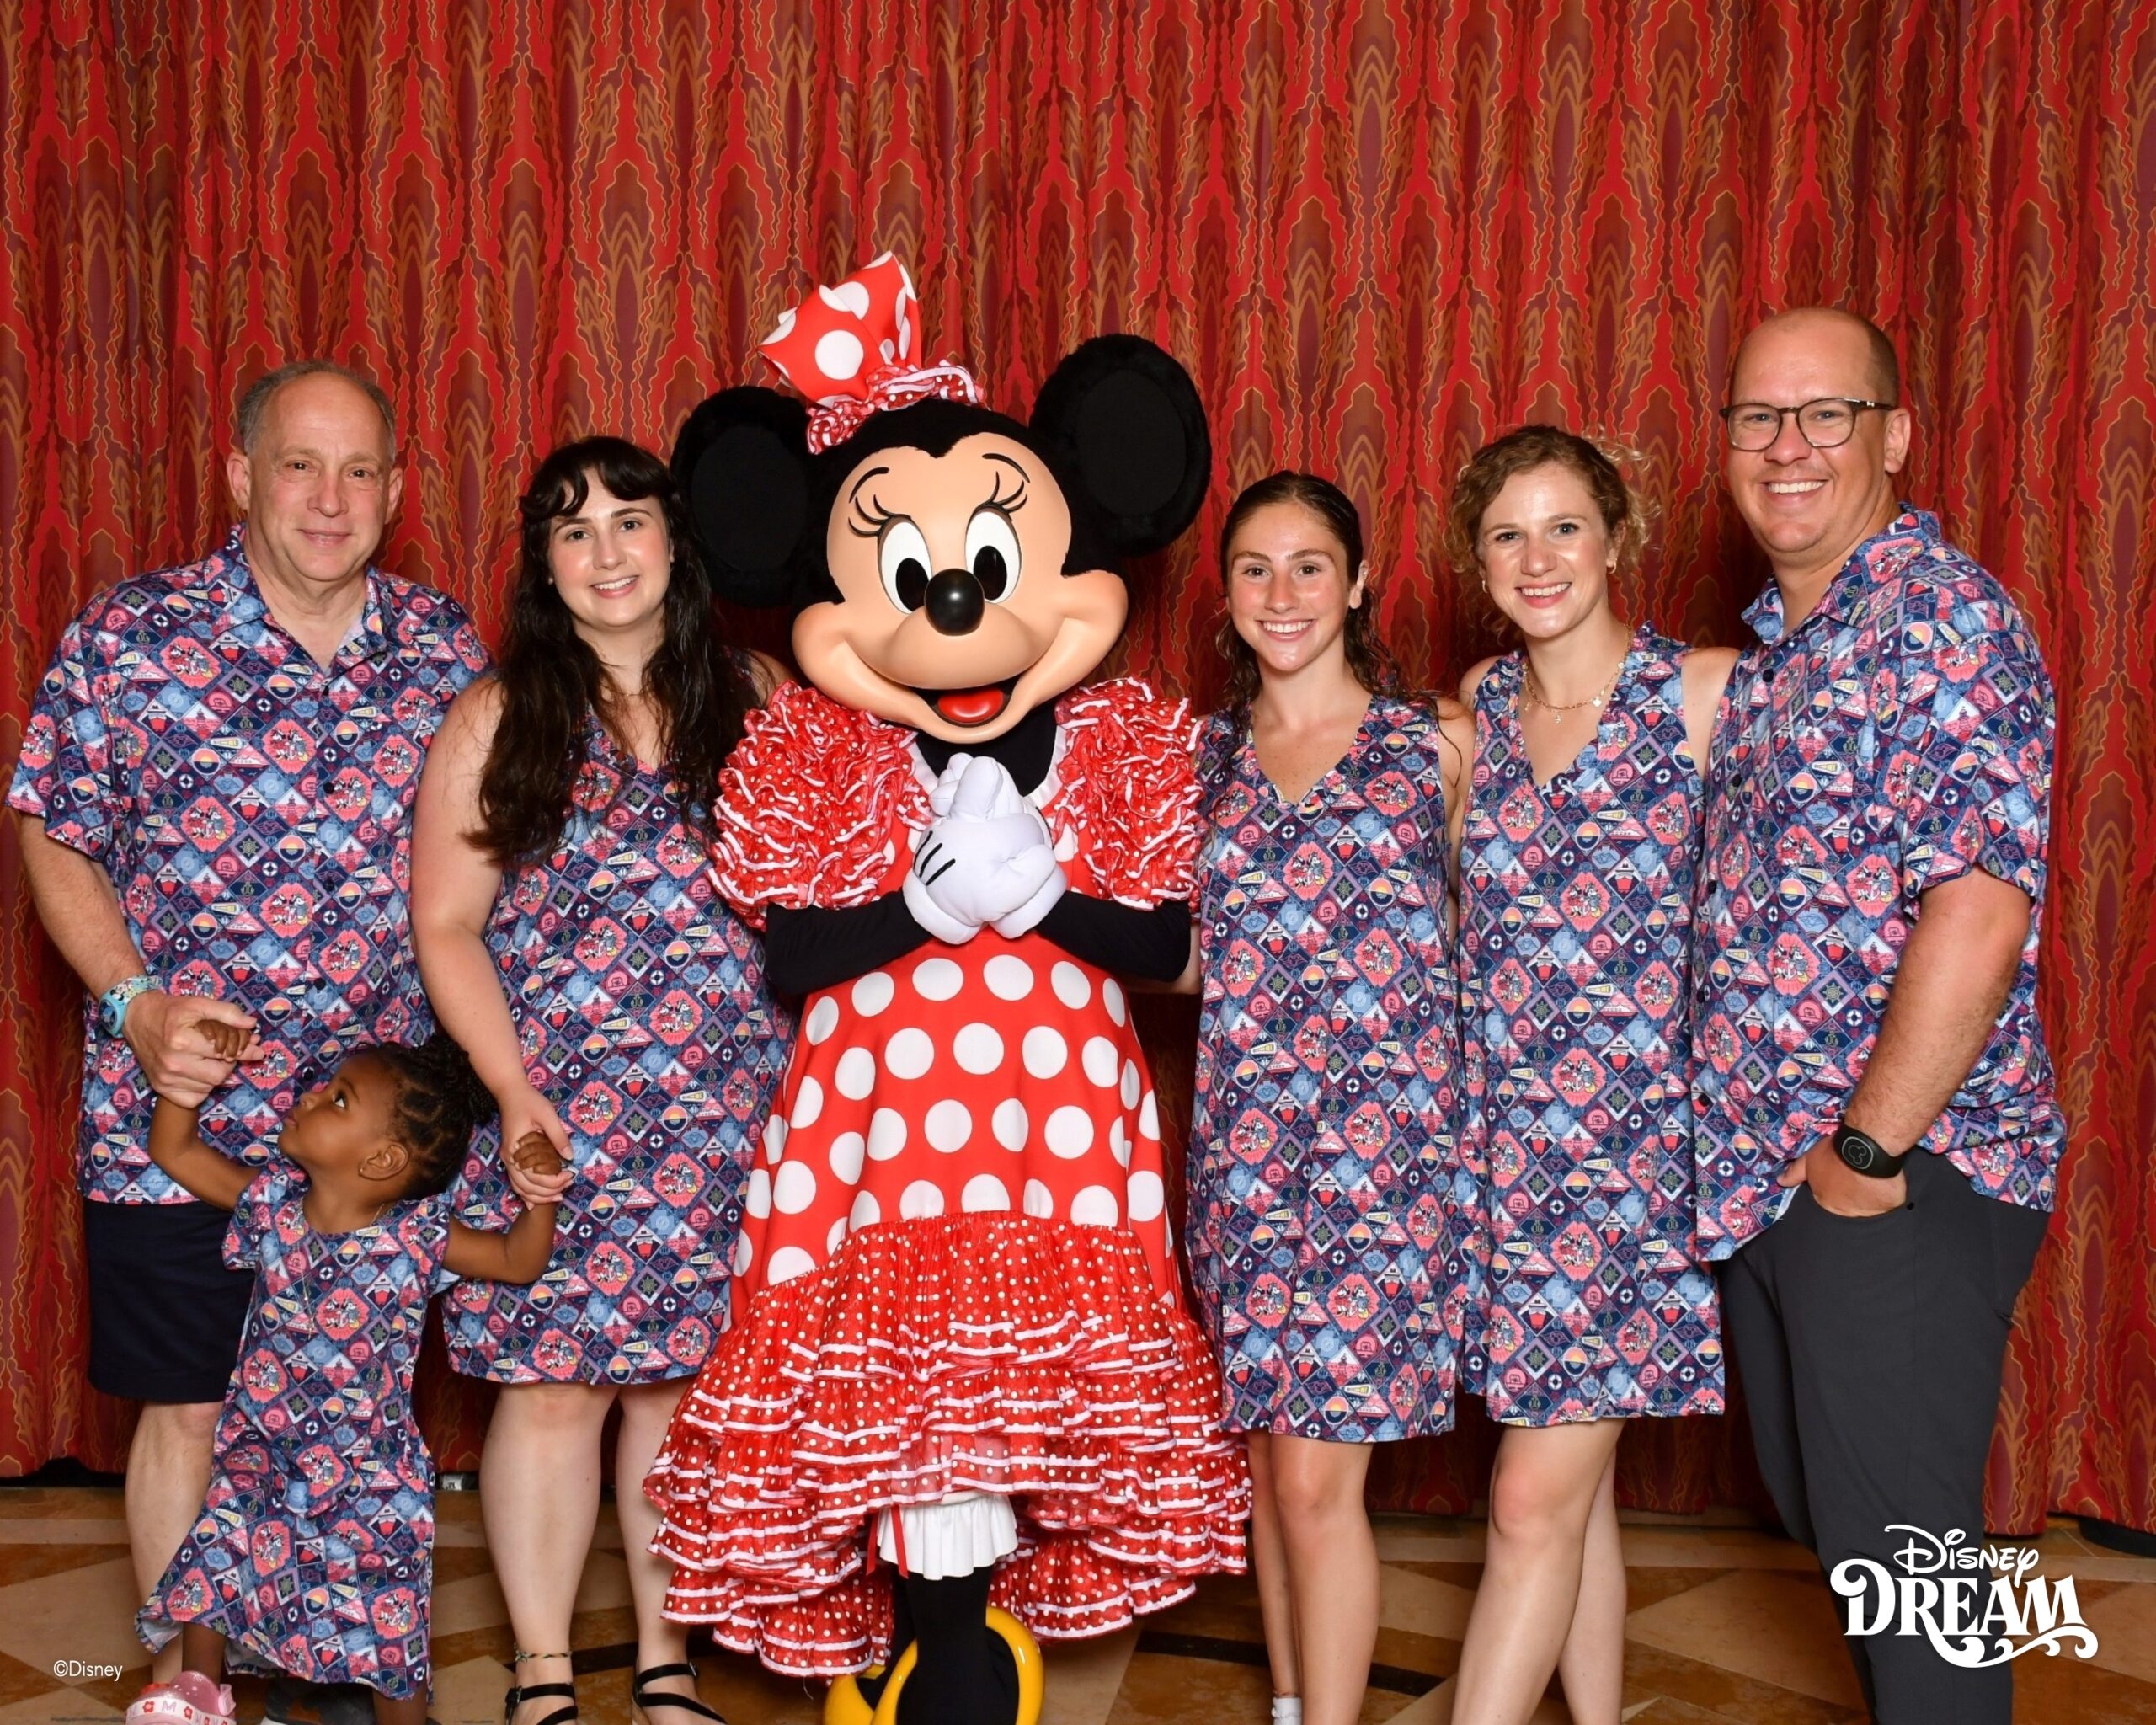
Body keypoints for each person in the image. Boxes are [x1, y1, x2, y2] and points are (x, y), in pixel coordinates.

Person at [641, 255, 1247, 1725]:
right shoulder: (819, 752)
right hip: (879, 1131)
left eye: (989, 563)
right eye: (908, 576)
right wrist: (916, 905)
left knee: (1025, 1398)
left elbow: (1165, 938)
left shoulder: (1122, 744)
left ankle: (987, 1648)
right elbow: (790, 954)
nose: (959, 610)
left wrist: (1048, 898)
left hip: (1054, 1135)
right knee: (908, 1393)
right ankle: (941, 1648)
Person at [7, 361, 490, 1696]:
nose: (327, 501)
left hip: (377, 1145)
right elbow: (53, 830)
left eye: (356, 473)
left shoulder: (447, 648)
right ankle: (191, 1680)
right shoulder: (129, 638)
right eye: (297, 465)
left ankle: (333, 1660)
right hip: (178, 1119)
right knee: (190, 1402)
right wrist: (133, 1002)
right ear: (238, 475)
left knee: (346, 1417)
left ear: (395, 492)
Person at [1694, 308, 2060, 1723]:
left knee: (1911, 1572)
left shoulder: (1938, 620)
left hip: (1896, 1177)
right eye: (1756, 417)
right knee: (1851, 1538)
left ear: (1895, 434)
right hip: (1776, 1184)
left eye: (1825, 413)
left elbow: (1978, 907)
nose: (1786, 447)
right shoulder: (1782, 650)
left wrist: (1868, 1154)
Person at [410, 437, 789, 1725]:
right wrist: (513, 1095)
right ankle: (543, 1674)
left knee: (677, 1388)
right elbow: (447, 926)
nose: (608, 553)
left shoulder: (756, 691)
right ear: (544, 565)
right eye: (575, 532)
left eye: (630, 522)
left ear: (676, 541)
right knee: (554, 1387)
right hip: (556, 1111)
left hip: (725, 1108)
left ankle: (665, 1663)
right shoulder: (499, 715)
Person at [1442, 429, 1730, 1724]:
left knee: (1527, 1500)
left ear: (1618, 540)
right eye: (1508, 533)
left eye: (1565, 527)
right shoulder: (1474, 711)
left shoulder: (1707, 696)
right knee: (1576, 1494)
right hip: (1506, 1165)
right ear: (1477, 561)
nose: (1537, 557)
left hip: (1636, 1170)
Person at [1185, 472, 1474, 1725]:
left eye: (1311, 565)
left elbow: (1496, 940)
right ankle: (1297, 1706)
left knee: (1314, 1486)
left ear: (1359, 583)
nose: (1283, 592)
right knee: (1266, 1467)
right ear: (1227, 594)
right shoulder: (1199, 759)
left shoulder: (1435, 747)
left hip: (1387, 1153)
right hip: (1245, 1150)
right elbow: (1192, 955)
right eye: (1256, 567)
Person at [124, 1028, 562, 1725]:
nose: (308, 1099)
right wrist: (187, 1082)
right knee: (217, 1560)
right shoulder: (271, 1206)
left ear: (383, 1158)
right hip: (260, 1449)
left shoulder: (416, 1238)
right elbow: (173, 1151)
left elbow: (516, 1260)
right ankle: (199, 1697)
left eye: (338, 1100)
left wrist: (540, 1193)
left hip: (368, 1478)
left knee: (382, 1622)